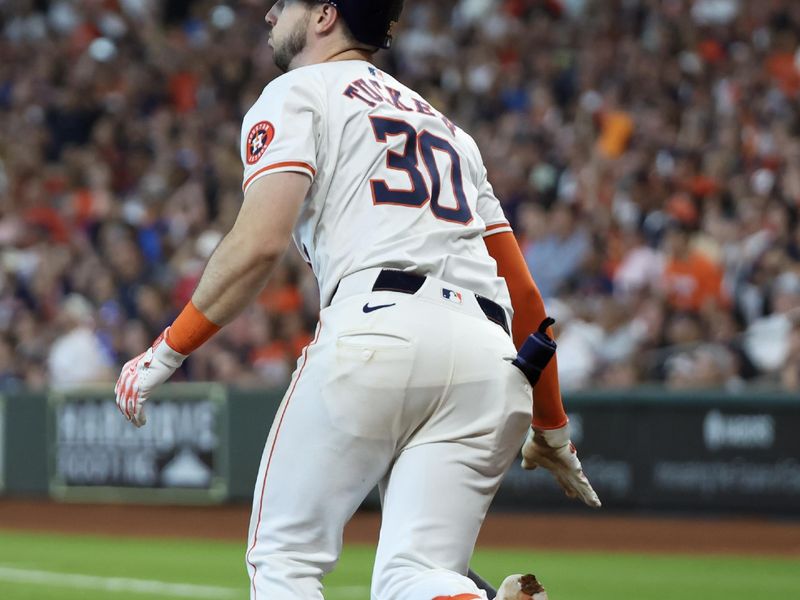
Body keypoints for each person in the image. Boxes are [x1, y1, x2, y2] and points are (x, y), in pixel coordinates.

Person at [113, 2, 599, 599]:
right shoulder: (450, 131)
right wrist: (551, 426)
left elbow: (259, 243)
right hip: (489, 359)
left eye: (285, 2)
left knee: (284, 560)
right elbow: (523, 293)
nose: (269, 13)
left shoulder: (297, 92)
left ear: (324, 16)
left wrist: (165, 351)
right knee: (415, 576)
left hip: (379, 329)